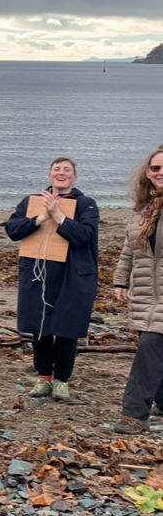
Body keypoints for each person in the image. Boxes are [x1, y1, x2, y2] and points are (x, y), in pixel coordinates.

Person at [5, 157, 99, 402]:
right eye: (57, 169)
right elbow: (13, 230)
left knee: (67, 327)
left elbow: (85, 236)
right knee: (40, 327)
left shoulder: (86, 204)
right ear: (49, 176)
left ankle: (62, 381)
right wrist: (41, 218)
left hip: (71, 274)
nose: (61, 172)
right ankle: (44, 377)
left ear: (74, 177)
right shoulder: (30, 202)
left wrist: (58, 215)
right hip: (38, 272)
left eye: (67, 170)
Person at [113, 145, 163, 434]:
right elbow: (129, 251)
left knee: (149, 348)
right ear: (147, 173)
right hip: (145, 293)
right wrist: (121, 281)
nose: (160, 173)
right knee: (153, 346)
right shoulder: (141, 212)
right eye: (155, 168)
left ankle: (134, 414)